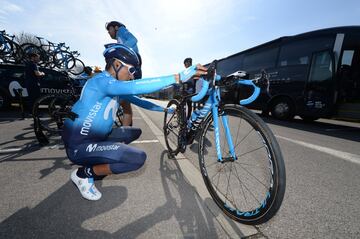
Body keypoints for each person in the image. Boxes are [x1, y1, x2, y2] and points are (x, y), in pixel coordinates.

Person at [62, 43, 207, 200]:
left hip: (97, 138)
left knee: (133, 132)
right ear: (117, 64)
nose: (132, 76)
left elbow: (142, 102)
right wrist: (177, 77)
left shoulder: (113, 87)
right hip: (79, 145)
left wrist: (166, 110)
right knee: (136, 158)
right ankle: (83, 174)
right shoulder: (100, 82)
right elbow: (135, 87)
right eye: (131, 70)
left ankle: (103, 156)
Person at [105, 21, 142, 126]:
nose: (108, 32)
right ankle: (127, 128)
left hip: (131, 65)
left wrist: (118, 49)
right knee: (124, 100)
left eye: (109, 29)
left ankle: (125, 127)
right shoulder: (119, 38)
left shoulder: (121, 31)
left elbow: (133, 40)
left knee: (121, 97)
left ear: (116, 27)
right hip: (130, 65)